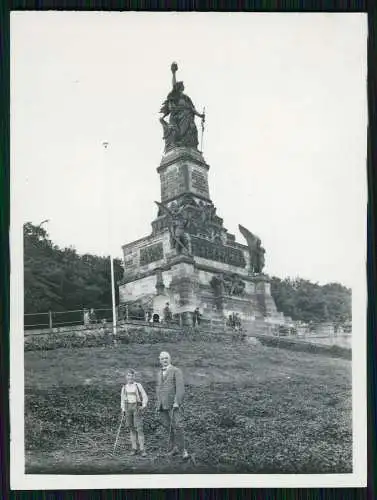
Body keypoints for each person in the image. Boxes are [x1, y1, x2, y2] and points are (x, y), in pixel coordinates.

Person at [156, 351, 189, 459]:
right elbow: (158, 389)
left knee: (178, 426)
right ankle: (174, 448)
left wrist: (177, 402)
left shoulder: (176, 371)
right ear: (159, 360)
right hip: (162, 405)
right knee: (167, 426)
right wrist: (158, 403)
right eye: (162, 359)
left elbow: (180, 388)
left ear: (170, 359)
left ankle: (183, 450)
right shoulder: (159, 373)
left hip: (173, 404)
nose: (164, 360)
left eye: (166, 358)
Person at [121, 369, 148, 456]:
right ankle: (134, 448)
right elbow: (122, 400)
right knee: (131, 429)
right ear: (126, 377)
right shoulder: (124, 387)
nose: (130, 377)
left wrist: (143, 405)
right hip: (128, 408)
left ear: (134, 377)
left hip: (136, 407)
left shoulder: (138, 385)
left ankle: (142, 449)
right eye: (128, 375)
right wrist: (123, 409)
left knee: (139, 429)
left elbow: (144, 395)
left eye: (132, 376)